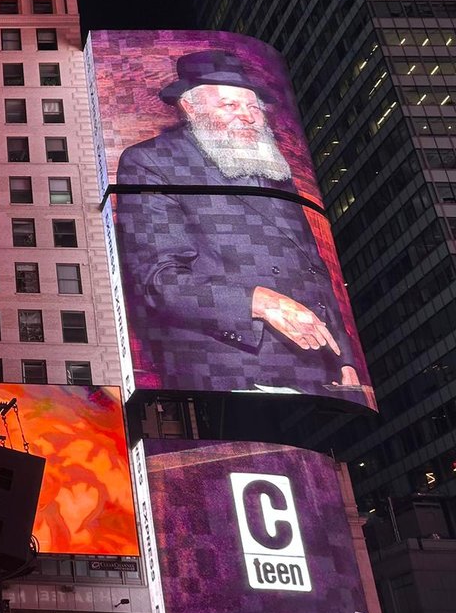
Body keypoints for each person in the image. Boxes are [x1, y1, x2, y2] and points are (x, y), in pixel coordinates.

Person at [113, 50, 367, 398]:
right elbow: (158, 281)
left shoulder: (272, 164)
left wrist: (344, 359)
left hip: (314, 367)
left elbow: (313, 267)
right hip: (230, 370)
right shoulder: (150, 161)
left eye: (252, 107)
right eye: (229, 106)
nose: (247, 116)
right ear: (191, 108)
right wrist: (258, 301)